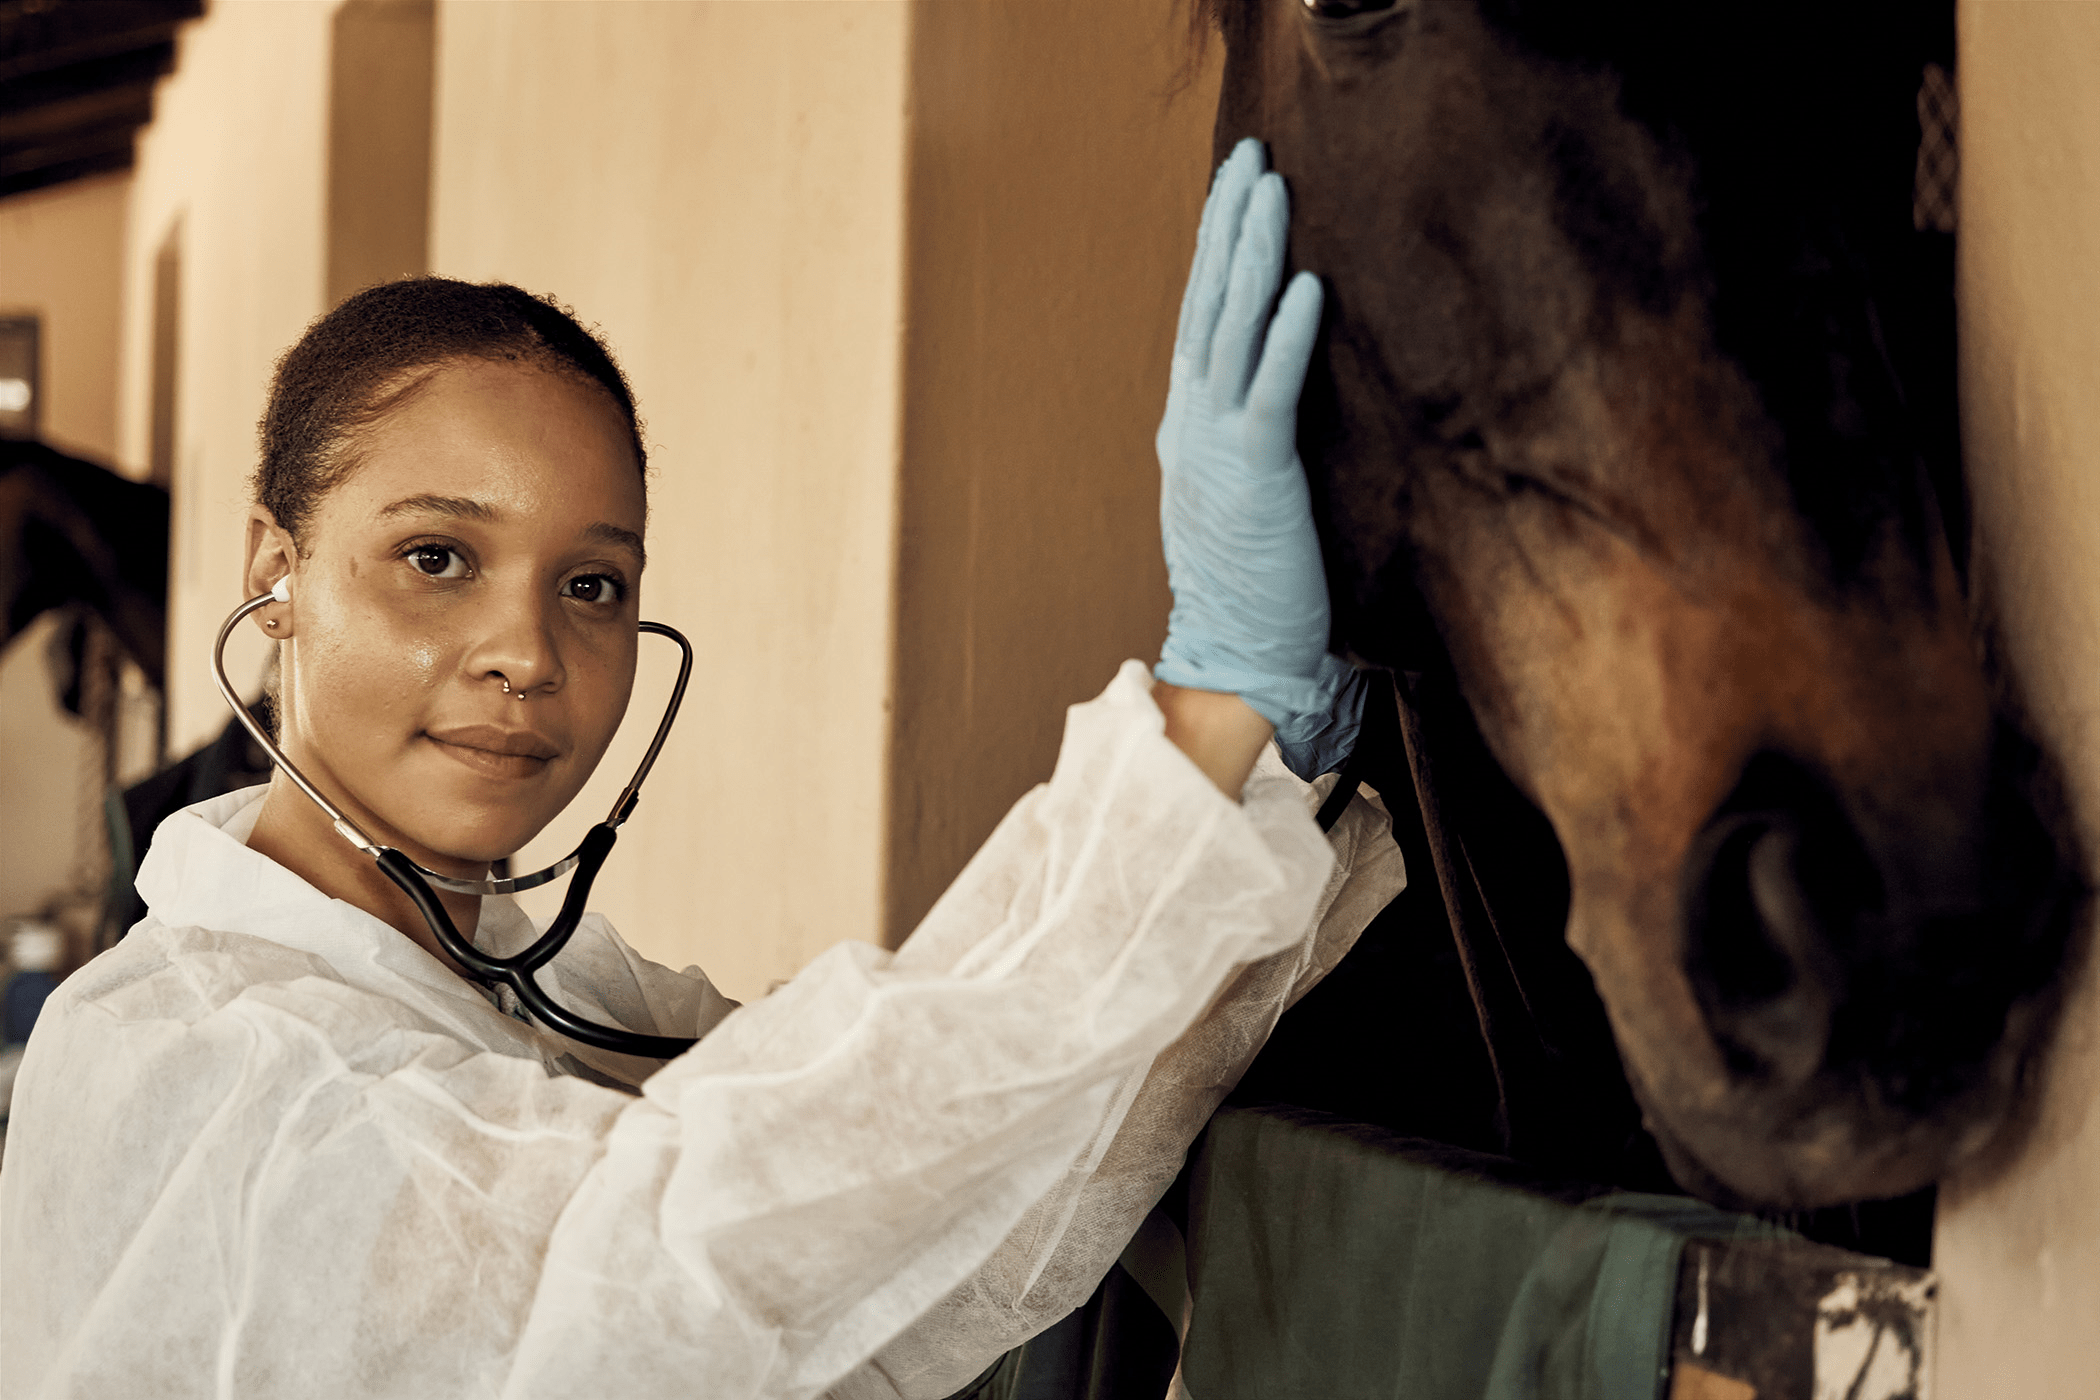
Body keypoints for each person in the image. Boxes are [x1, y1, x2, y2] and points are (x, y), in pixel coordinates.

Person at [0, 141, 1399, 1399]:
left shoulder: (561, 997)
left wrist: (1276, 772)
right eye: (437, 557)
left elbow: (921, 1218)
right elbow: (677, 1265)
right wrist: (1209, 717)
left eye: (594, 586)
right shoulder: (196, 1071)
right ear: (276, 573)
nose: (527, 653)